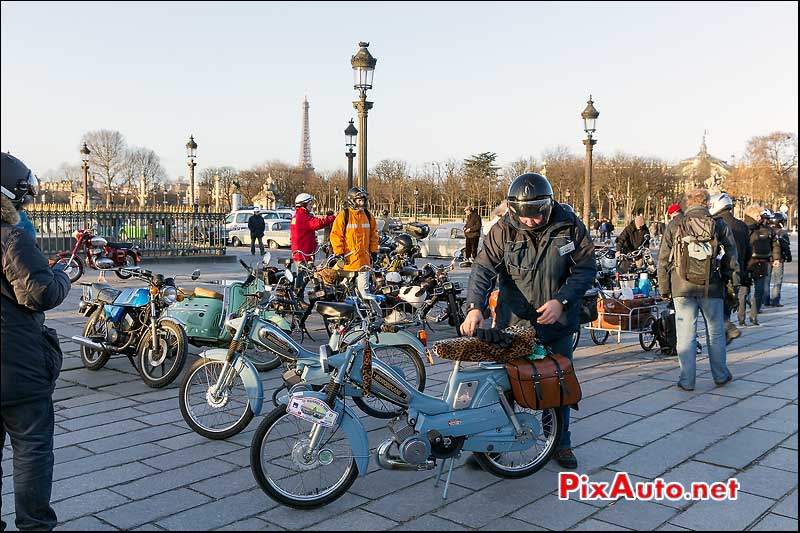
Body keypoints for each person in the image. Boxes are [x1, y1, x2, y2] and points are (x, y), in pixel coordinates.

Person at [461, 173, 596, 469]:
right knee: (503, 385)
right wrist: (475, 307)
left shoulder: (569, 226)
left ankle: (560, 443)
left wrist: (561, 300)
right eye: (524, 216)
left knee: (556, 382)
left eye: (537, 215)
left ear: (547, 206)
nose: (531, 221)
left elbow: (585, 268)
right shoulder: (502, 230)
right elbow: (483, 270)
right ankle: (492, 445)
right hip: (513, 320)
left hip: (556, 321)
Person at [2, 152, 71, 531]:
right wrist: (61, 276)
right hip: (17, 364)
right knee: (31, 449)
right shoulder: (11, 237)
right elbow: (39, 294)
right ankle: (34, 525)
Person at [657, 188, 739, 391]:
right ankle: (720, 375)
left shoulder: (676, 224)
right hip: (711, 287)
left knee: (686, 335)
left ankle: (687, 380)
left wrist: (665, 289)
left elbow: (663, 260)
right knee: (716, 333)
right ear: (707, 203)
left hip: (682, 287)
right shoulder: (718, 224)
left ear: (688, 202)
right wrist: (732, 287)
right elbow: (731, 259)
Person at [709, 192, 751, 343]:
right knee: (729, 301)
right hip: (737, 272)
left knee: (715, 306)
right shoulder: (742, 225)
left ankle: (726, 328)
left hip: (720, 270)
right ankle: (725, 333)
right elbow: (748, 251)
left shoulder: (715, 224)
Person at [329, 187, 378, 297]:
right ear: (352, 201)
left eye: (363, 200)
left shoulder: (369, 216)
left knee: (364, 291)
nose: (362, 203)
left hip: (364, 260)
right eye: (359, 200)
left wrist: (374, 252)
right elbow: (336, 235)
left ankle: (364, 312)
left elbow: (374, 236)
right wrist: (339, 253)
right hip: (348, 260)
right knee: (345, 290)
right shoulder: (344, 215)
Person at [290, 193, 336, 299]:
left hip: (302, 252)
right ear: (304, 204)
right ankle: (299, 299)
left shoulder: (297, 216)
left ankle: (305, 298)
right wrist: (332, 218)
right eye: (310, 203)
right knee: (305, 278)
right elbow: (318, 223)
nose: (312, 206)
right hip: (303, 253)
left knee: (306, 276)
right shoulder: (303, 217)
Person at [742, 205, 780, 325]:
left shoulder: (767, 229)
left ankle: (754, 316)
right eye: (757, 215)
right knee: (743, 292)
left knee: (759, 291)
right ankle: (741, 317)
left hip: (762, 263)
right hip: (747, 263)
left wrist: (776, 258)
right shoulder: (744, 228)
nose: (759, 217)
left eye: (760, 215)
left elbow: (775, 244)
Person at [766, 211, 791, 307]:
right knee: (777, 280)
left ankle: (765, 300)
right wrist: (788, 257)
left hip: (768, 258)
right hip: (778, 259)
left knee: (766, 280)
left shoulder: (767, 230)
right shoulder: (782, 233)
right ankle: (775, 300)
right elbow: (785, 247)